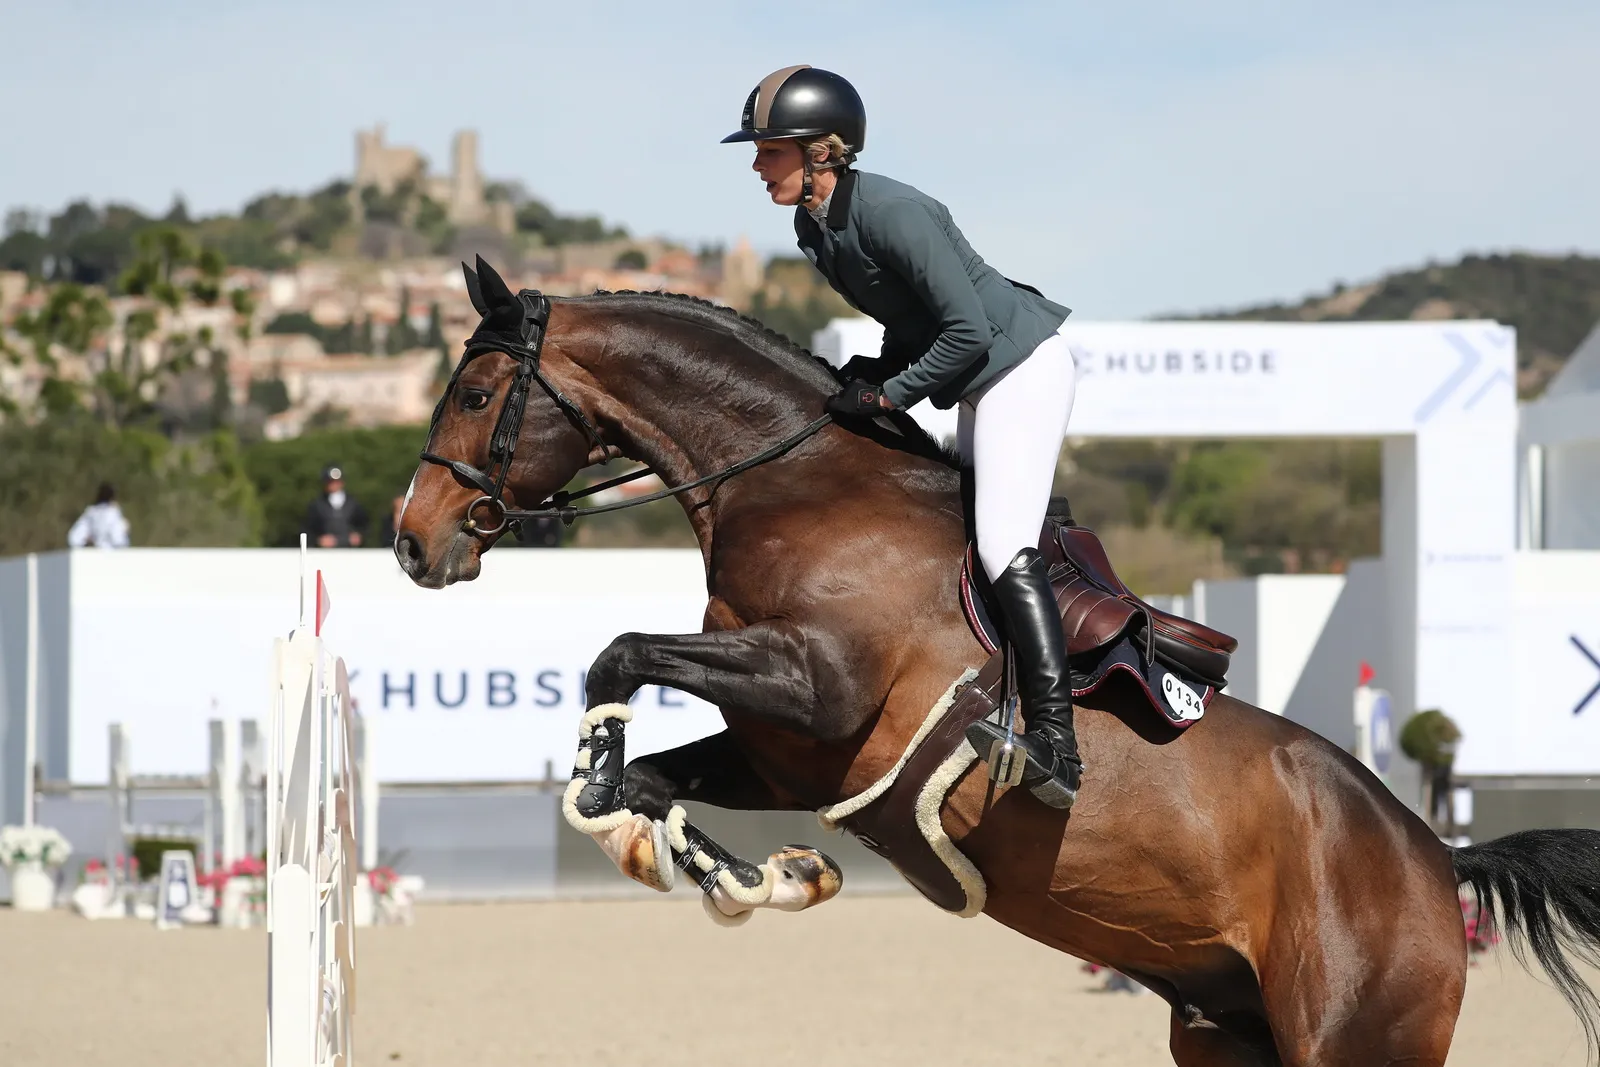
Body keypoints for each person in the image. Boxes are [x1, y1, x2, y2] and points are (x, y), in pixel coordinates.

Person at [723, 65, 1082, 808]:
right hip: (980, 377)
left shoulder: (893, 212)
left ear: (821, 152)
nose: (757, 165)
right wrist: (875, 370)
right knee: (957, 531)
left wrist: (892, 392)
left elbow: (968, 329)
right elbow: (909, 318)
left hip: (1020, 369)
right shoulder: (814, 227)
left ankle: (1056, 743)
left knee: (1001, 545)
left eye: (769, 150)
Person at [303, 465, 368, 548]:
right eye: (331, 482)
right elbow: (308, 529)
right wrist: (318, 540)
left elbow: (364, 526)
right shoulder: (317, 505)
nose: (334, 485)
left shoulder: (353, 504)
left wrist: (359, 536)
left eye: (337, 481)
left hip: (350, 550)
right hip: (325, 551)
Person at [67, 482, 131, 549]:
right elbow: (118, 539)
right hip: (111, 552)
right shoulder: (113, 513)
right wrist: (124, 528)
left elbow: (74, 538)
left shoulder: (91, 512)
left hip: (95, 552)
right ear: (112, 498)